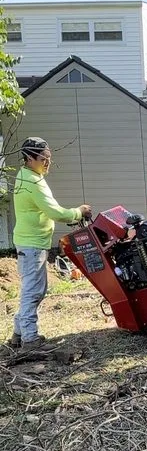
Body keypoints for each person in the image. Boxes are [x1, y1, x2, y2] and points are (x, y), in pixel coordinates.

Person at [10, 138, 91, 349]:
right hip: (32, 244)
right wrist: (78, 212)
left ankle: (19, 334)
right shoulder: (33, 182)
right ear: (29, 158)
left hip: (30, 242)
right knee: (33, 291)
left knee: (34, 288)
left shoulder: (24, 175)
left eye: (49, 159)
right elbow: (55, 212)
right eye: (43, 159)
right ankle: (29, 339)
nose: (47, 163)